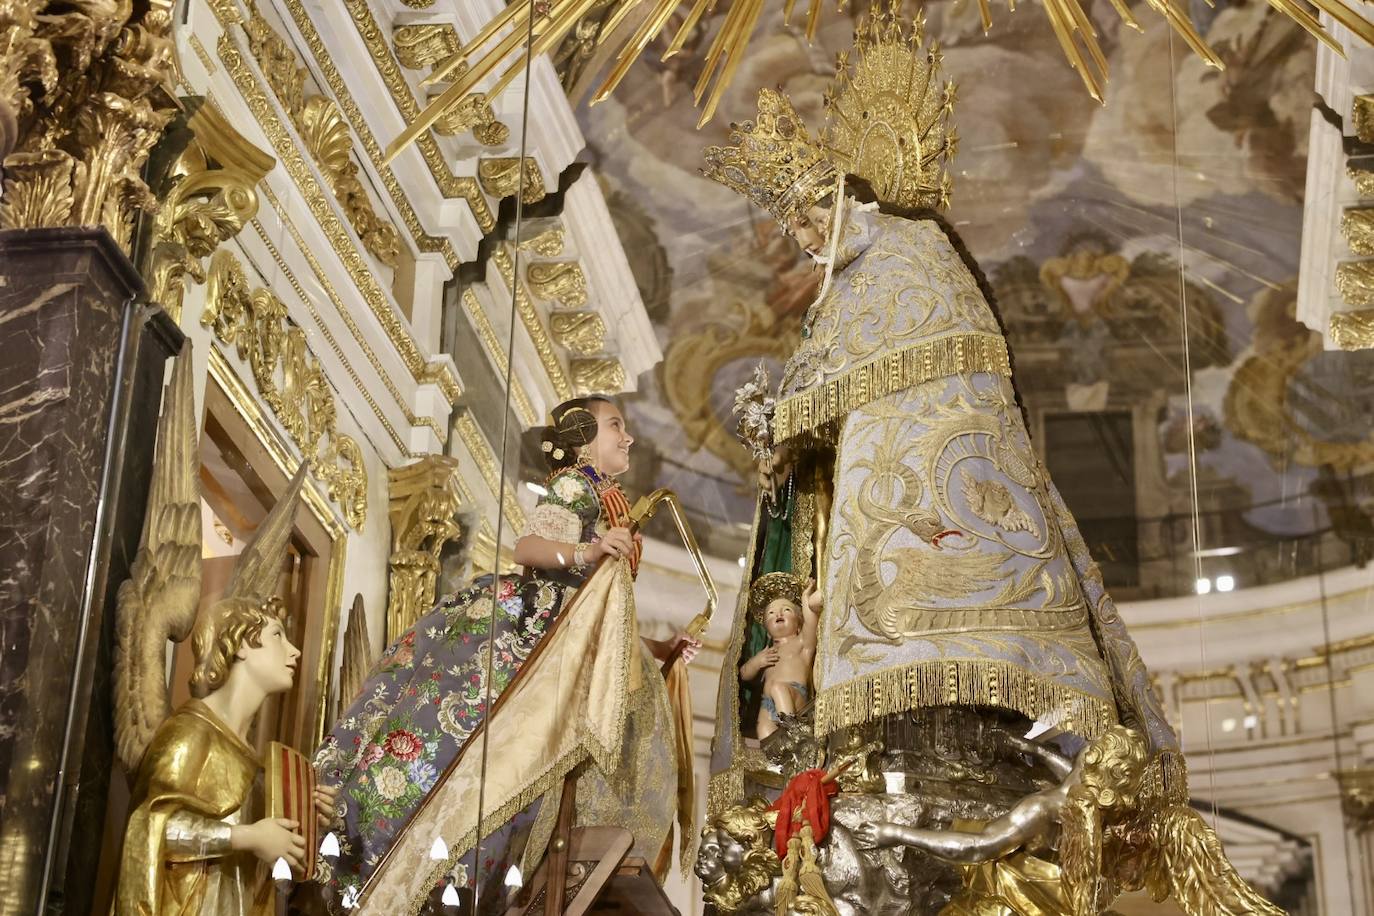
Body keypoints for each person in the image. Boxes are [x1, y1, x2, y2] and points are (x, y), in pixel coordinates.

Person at [704, 86, 1178, 816]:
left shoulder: (912, 247)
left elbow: (894, 350)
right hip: (871, 477)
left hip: (944, 465)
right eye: (790, 226)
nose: (803, 236)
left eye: (809, 213)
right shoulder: (842, 287)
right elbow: (832, 373)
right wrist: (787, 428)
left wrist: (792, 412)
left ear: (843, 194)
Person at [313, 396, 698, 909]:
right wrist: (587, 550)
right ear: (583, 438)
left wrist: (660, 648)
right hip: (540, 629)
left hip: (580, 634)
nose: (627, 439)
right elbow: (529, 549)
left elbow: (606, 615)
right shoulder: (574, 485)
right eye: (615, 426)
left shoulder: (610, 499)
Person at [118, 596, 336, 915]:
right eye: (277, 635)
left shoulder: (255, 761)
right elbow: (150, 829)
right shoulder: (191, 731)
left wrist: (303, 823)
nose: (294, 651)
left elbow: (260, 869)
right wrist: (248, 837)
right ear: (241, 644)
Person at [738, 573, 820, 739]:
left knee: (778, 687)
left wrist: (805, 599)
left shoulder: (801, 643)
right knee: (765, 734)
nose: (778, 614)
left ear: (798, 620)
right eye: (771, 613)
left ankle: (795, 733)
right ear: (766, 627)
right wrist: (757, 662)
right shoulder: (766, 653)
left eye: (787, 610)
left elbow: (811, 623)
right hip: (767, 703)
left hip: (793, 695)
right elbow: (744, 674)